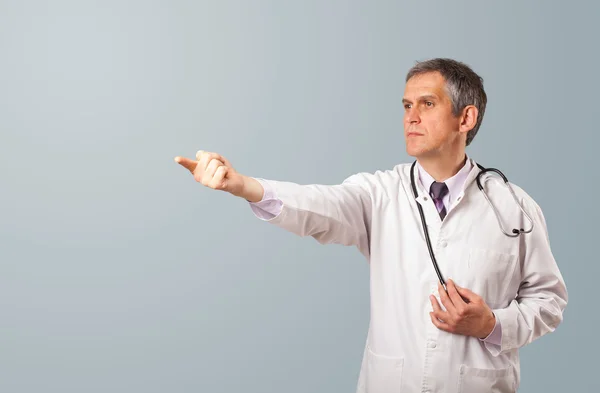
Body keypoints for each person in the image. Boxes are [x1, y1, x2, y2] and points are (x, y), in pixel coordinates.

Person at [174, 58, 567, 393]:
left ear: (466, 117)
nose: (410, 117)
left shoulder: (514, 207)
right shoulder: (378, 194)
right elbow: (317, 205)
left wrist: (492, 325)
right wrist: (241, 185)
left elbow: (548, 301)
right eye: (406, 105)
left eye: (427, 104)